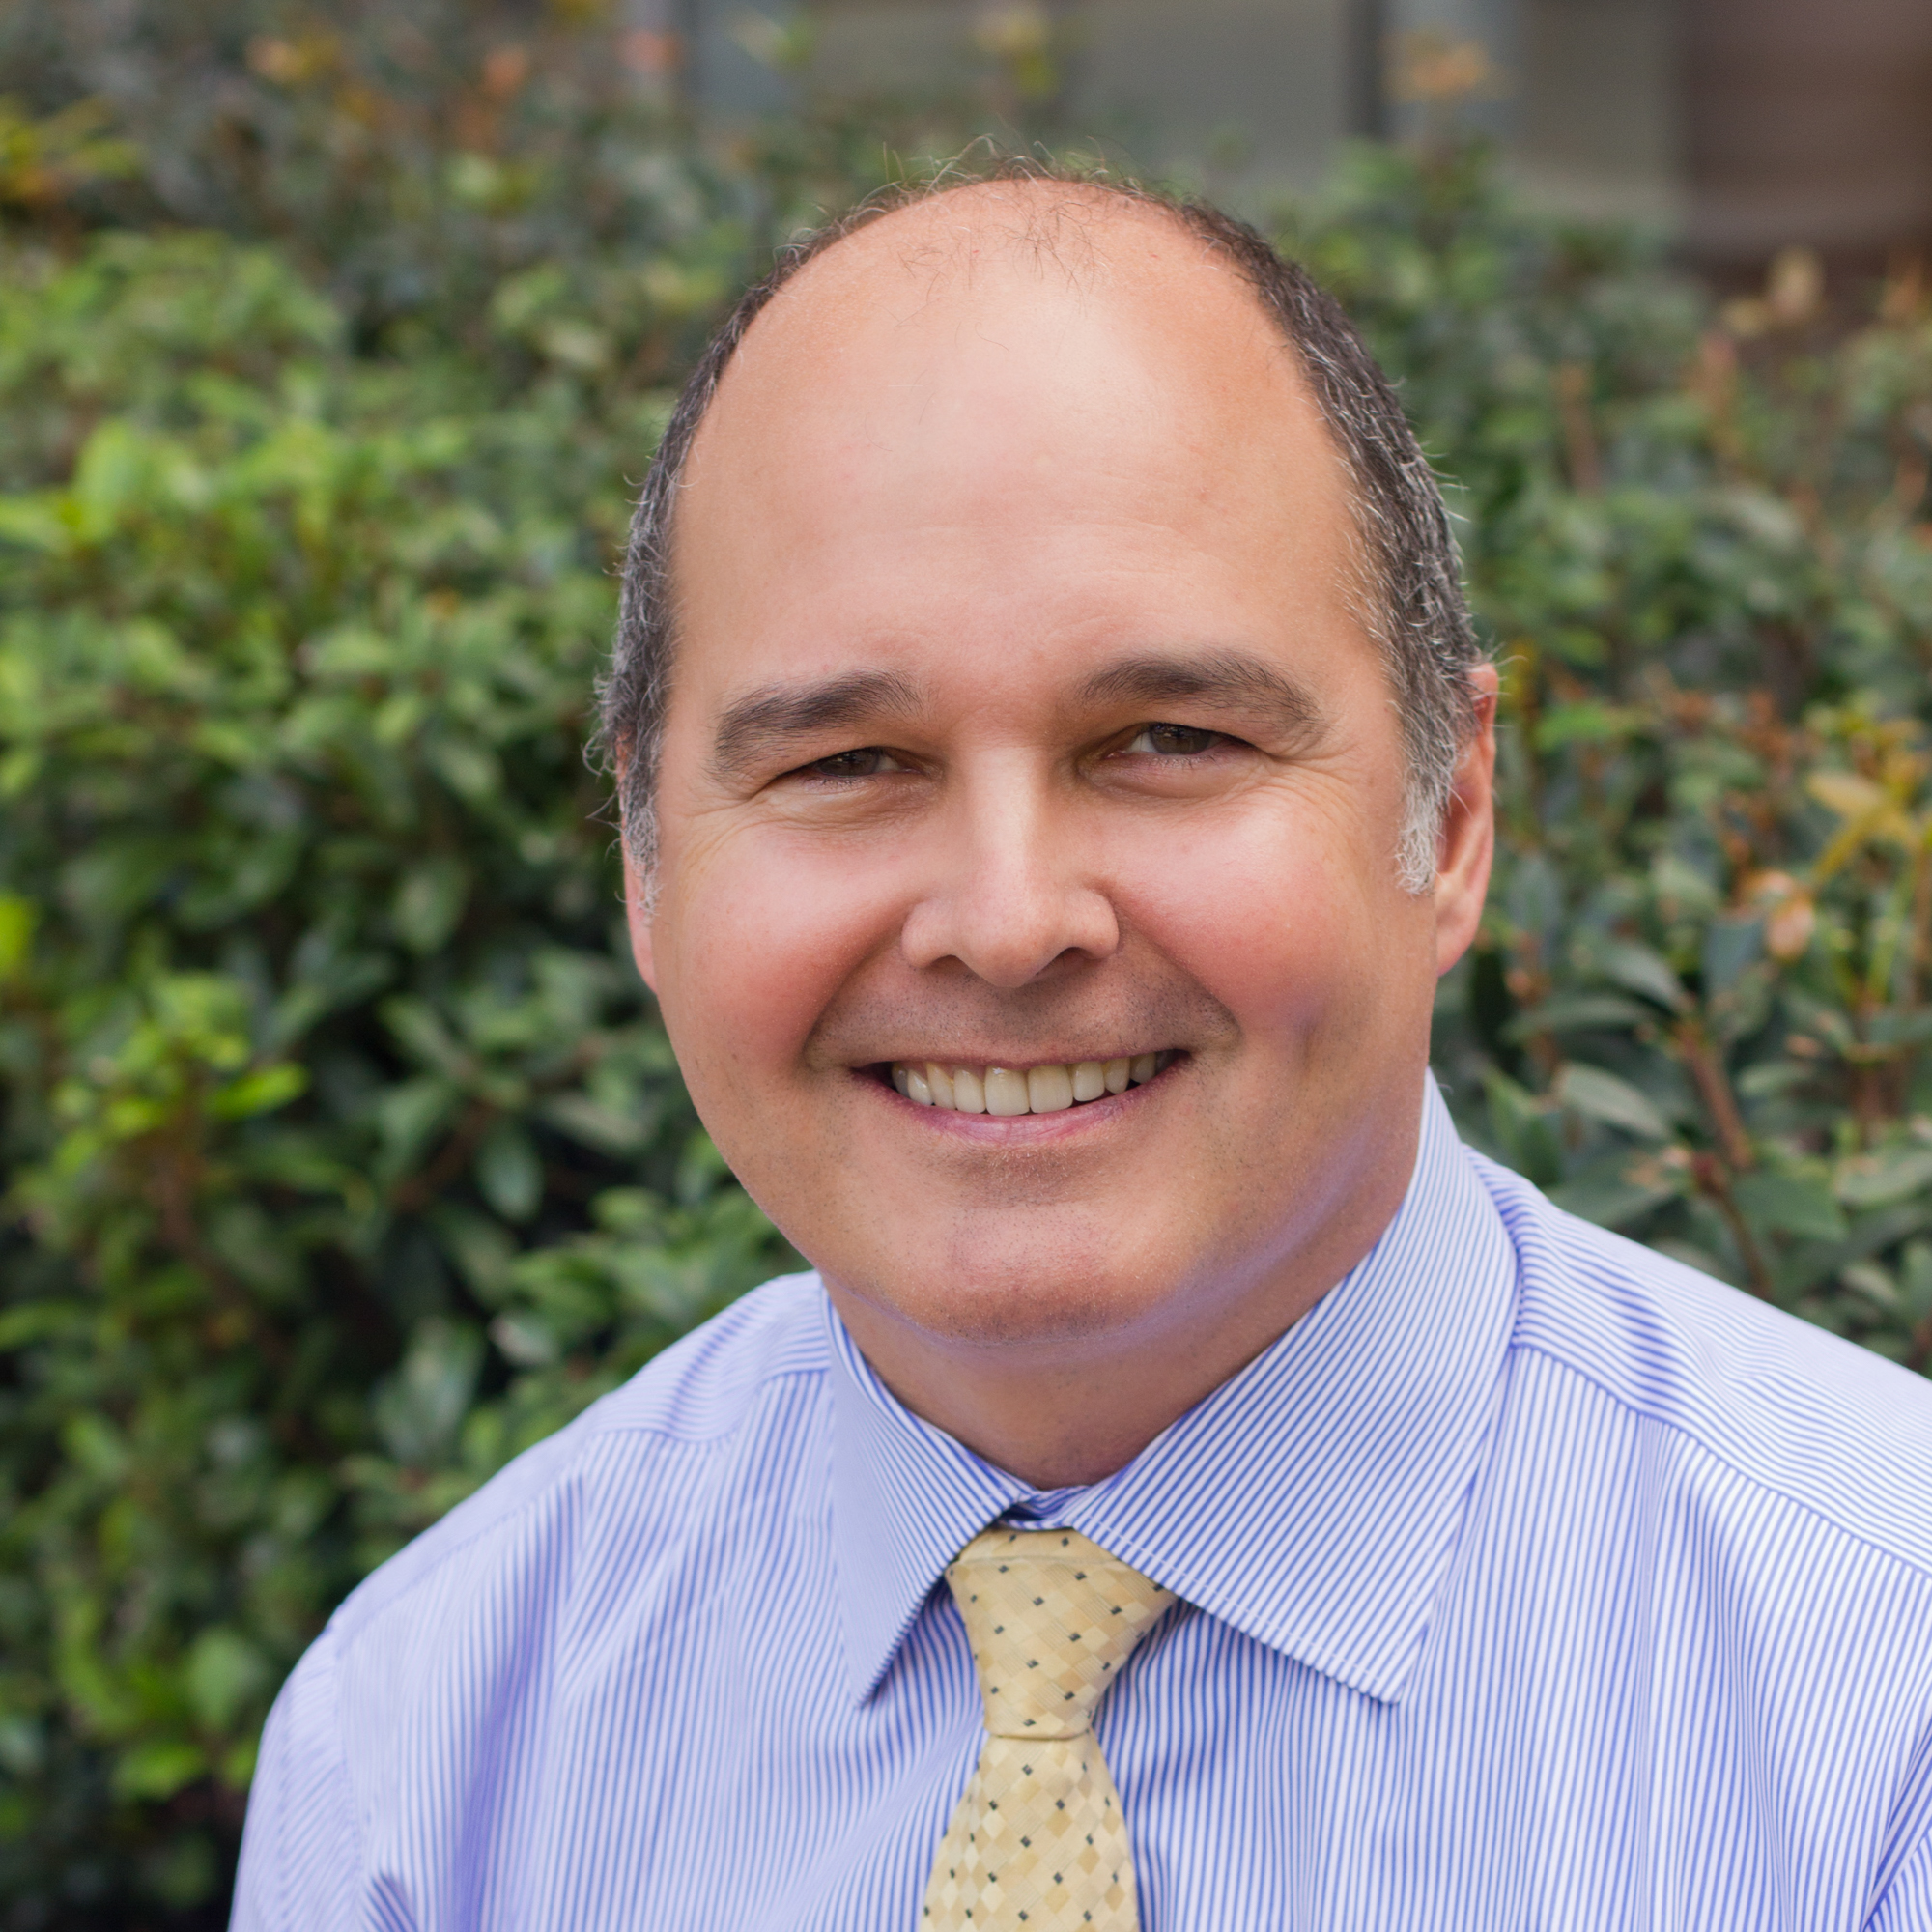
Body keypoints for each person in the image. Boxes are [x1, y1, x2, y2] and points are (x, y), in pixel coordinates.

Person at [232, 170, 1932, 1931]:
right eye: (846, 765)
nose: (1008, 918)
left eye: (1168, 739)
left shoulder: (1889, 1711)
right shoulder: (418, 1763)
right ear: (646, 870)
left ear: (1452, 817)